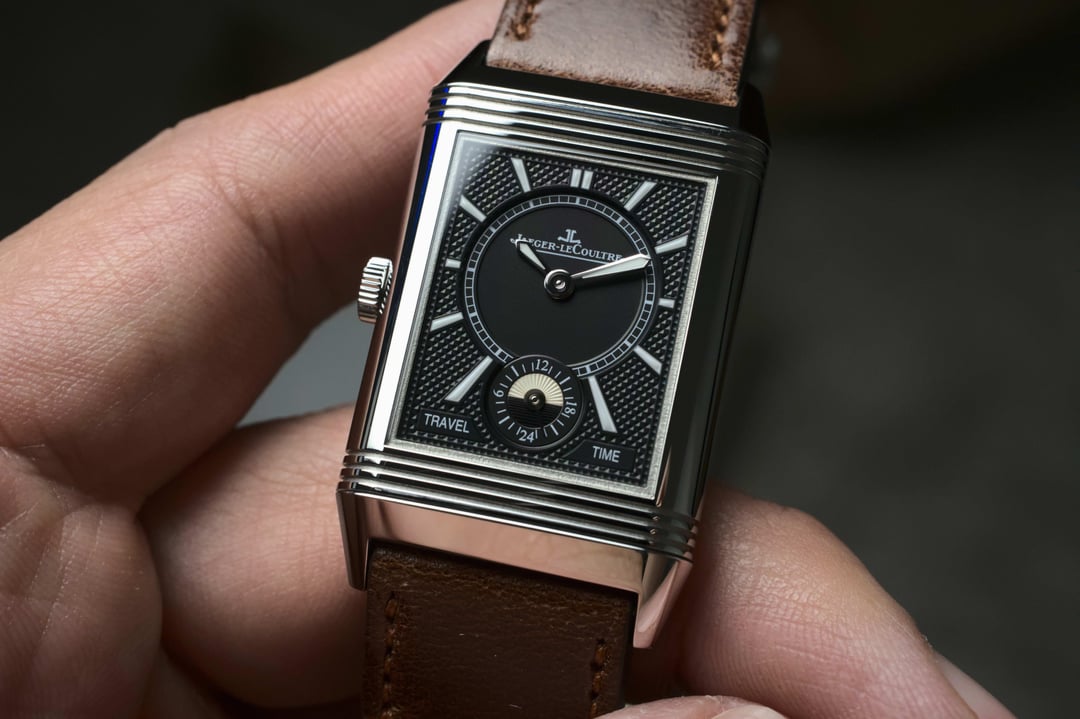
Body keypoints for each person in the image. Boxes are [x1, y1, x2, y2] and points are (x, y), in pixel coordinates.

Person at [0, 1, 1030, 716]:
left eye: (582, 278)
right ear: (389, 292)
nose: (562, 283)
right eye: (553, 275)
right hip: (441, 509)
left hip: (565, 535)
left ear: (387, 293)